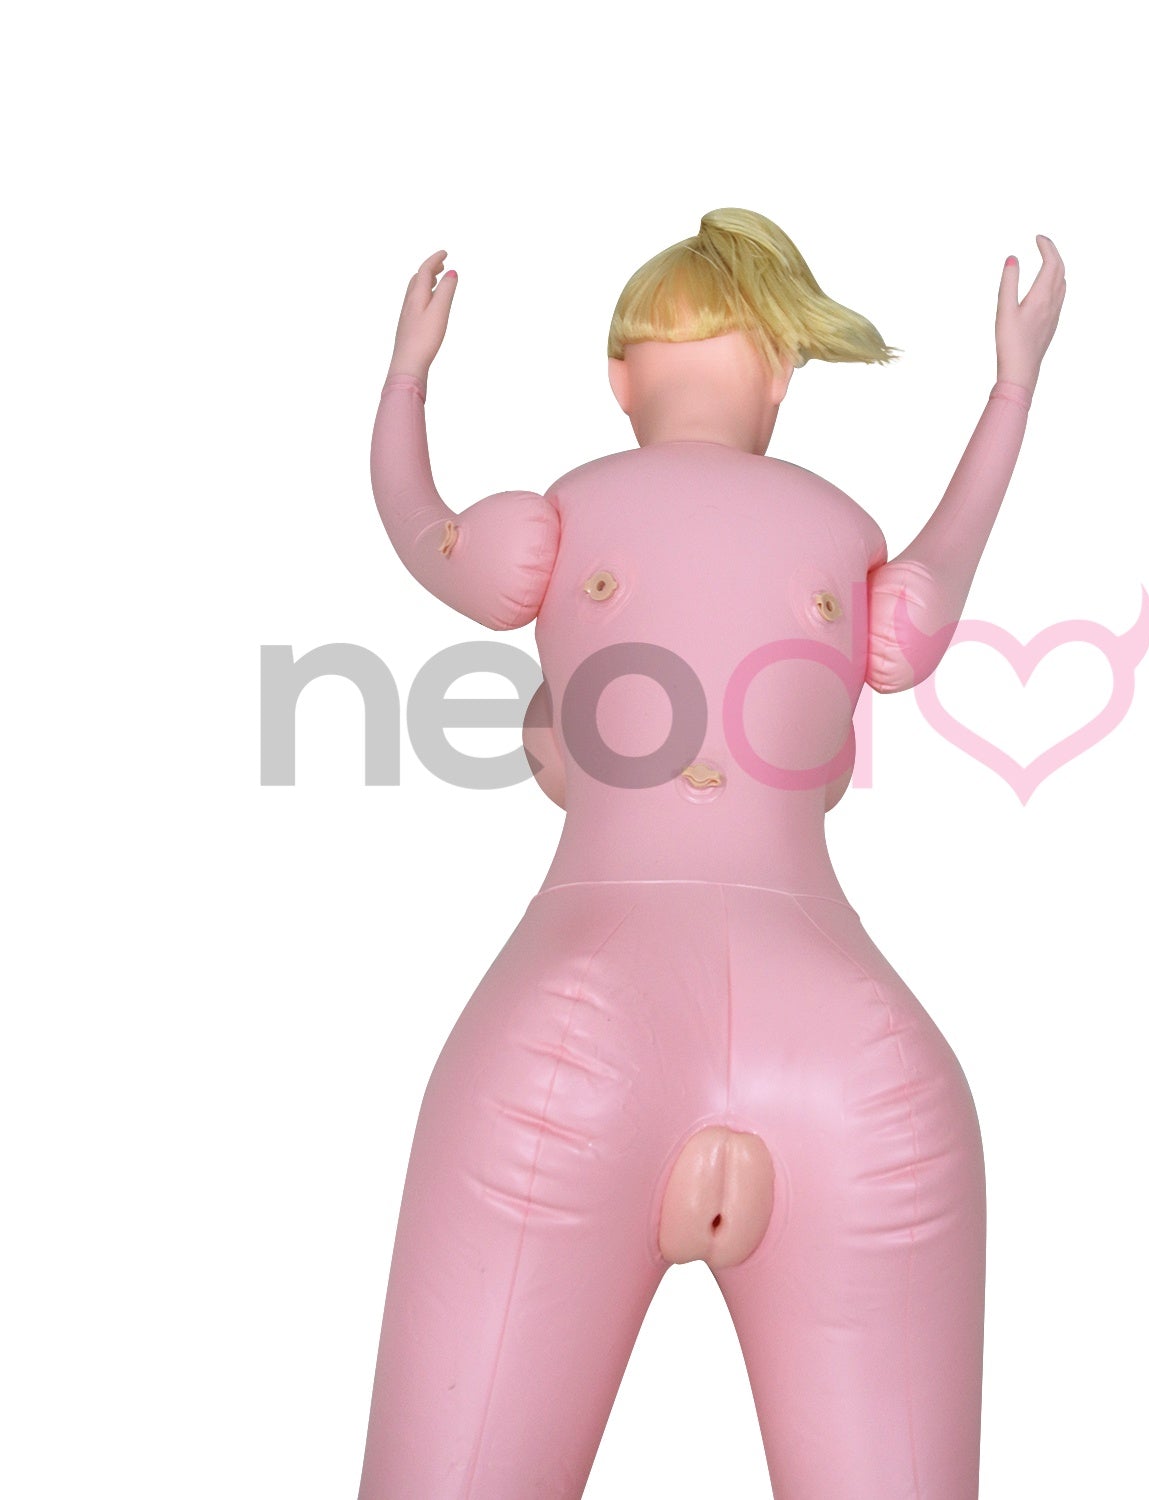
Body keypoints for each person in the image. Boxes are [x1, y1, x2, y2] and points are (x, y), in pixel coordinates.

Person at [359, 208, 1065, 1500]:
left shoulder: (557, 520)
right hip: (851, 1053)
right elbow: (942, 567)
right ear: (781, 376)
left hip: (579, 1030)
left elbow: (417, 521)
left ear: (620, 377)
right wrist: (1013, 385)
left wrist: (407, 374)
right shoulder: (850, 547)